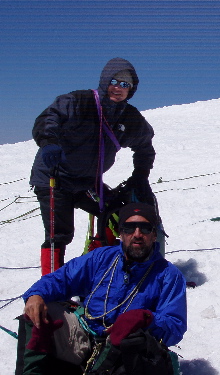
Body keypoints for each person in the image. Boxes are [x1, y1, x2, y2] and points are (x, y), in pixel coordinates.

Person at [16, 202, 187, 375]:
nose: (137, 234)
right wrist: (36, 295)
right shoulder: (102, 258)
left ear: (153, 235)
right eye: (129, 228)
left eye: (144, 228)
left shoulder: (168, 275)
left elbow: (175, 327)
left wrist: (148, 319)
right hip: (86, 335)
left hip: (126, 353)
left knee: (133, 341)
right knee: (39, 312)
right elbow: (62, 278)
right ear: (120, 233)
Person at [30, 57, 156, 275]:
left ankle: (98, 261)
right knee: (59, 233)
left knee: (115, 211)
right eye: (115, 81)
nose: (119, 88)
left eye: (126, 85)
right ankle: (51, 289)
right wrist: (48, 142)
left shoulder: (129, 117)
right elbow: (49, 118)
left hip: (87, 182)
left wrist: (140, 176)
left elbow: (145, 147)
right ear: (105, 80)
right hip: (55, 177)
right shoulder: (80, 101)